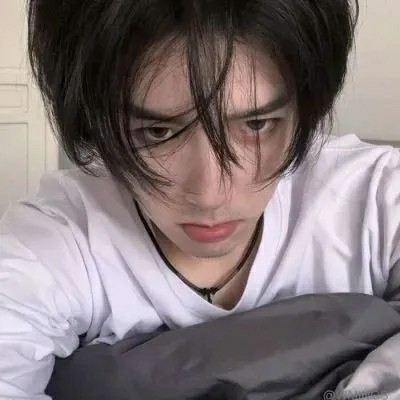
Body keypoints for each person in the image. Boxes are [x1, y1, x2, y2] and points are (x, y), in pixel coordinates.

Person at [0, 0, 399, 398]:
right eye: (157, 132)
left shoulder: (377, 198)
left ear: (306, 108)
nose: (211, 195)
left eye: (257, 124)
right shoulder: (51, 243)